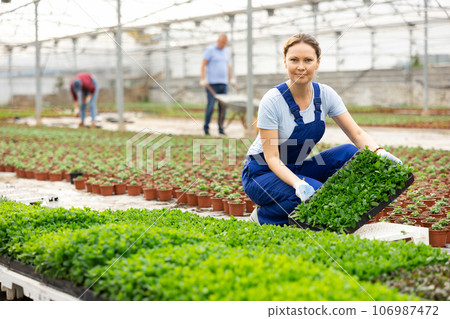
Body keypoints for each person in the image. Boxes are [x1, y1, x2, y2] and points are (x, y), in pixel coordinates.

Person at [241, 33, 402, 226]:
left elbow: (356, 133)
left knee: (350, 153)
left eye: (308, 60)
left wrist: (380, 152)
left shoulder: (325, 95)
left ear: (317, 63)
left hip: (294, 166)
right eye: (294, 60)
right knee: (316, 196)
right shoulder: (272, 100)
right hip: (261, 173)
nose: (301, 66)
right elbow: (272, 158)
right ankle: (264, 216)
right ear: (285, 62)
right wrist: (298, 183)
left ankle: (339, 211)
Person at [200, 33, 236, 136]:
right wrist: (203, 79)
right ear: (218, 41)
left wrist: (231, 78)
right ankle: (206, 128)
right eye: (222, 42)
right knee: (210, 106)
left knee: (222, 108)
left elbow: (228, 66)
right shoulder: (210, 50)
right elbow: (203, 65)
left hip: (223, 84)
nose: (223, 44)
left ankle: (221, 129)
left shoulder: (226, 51)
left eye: (225, 43)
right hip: (212, 84)